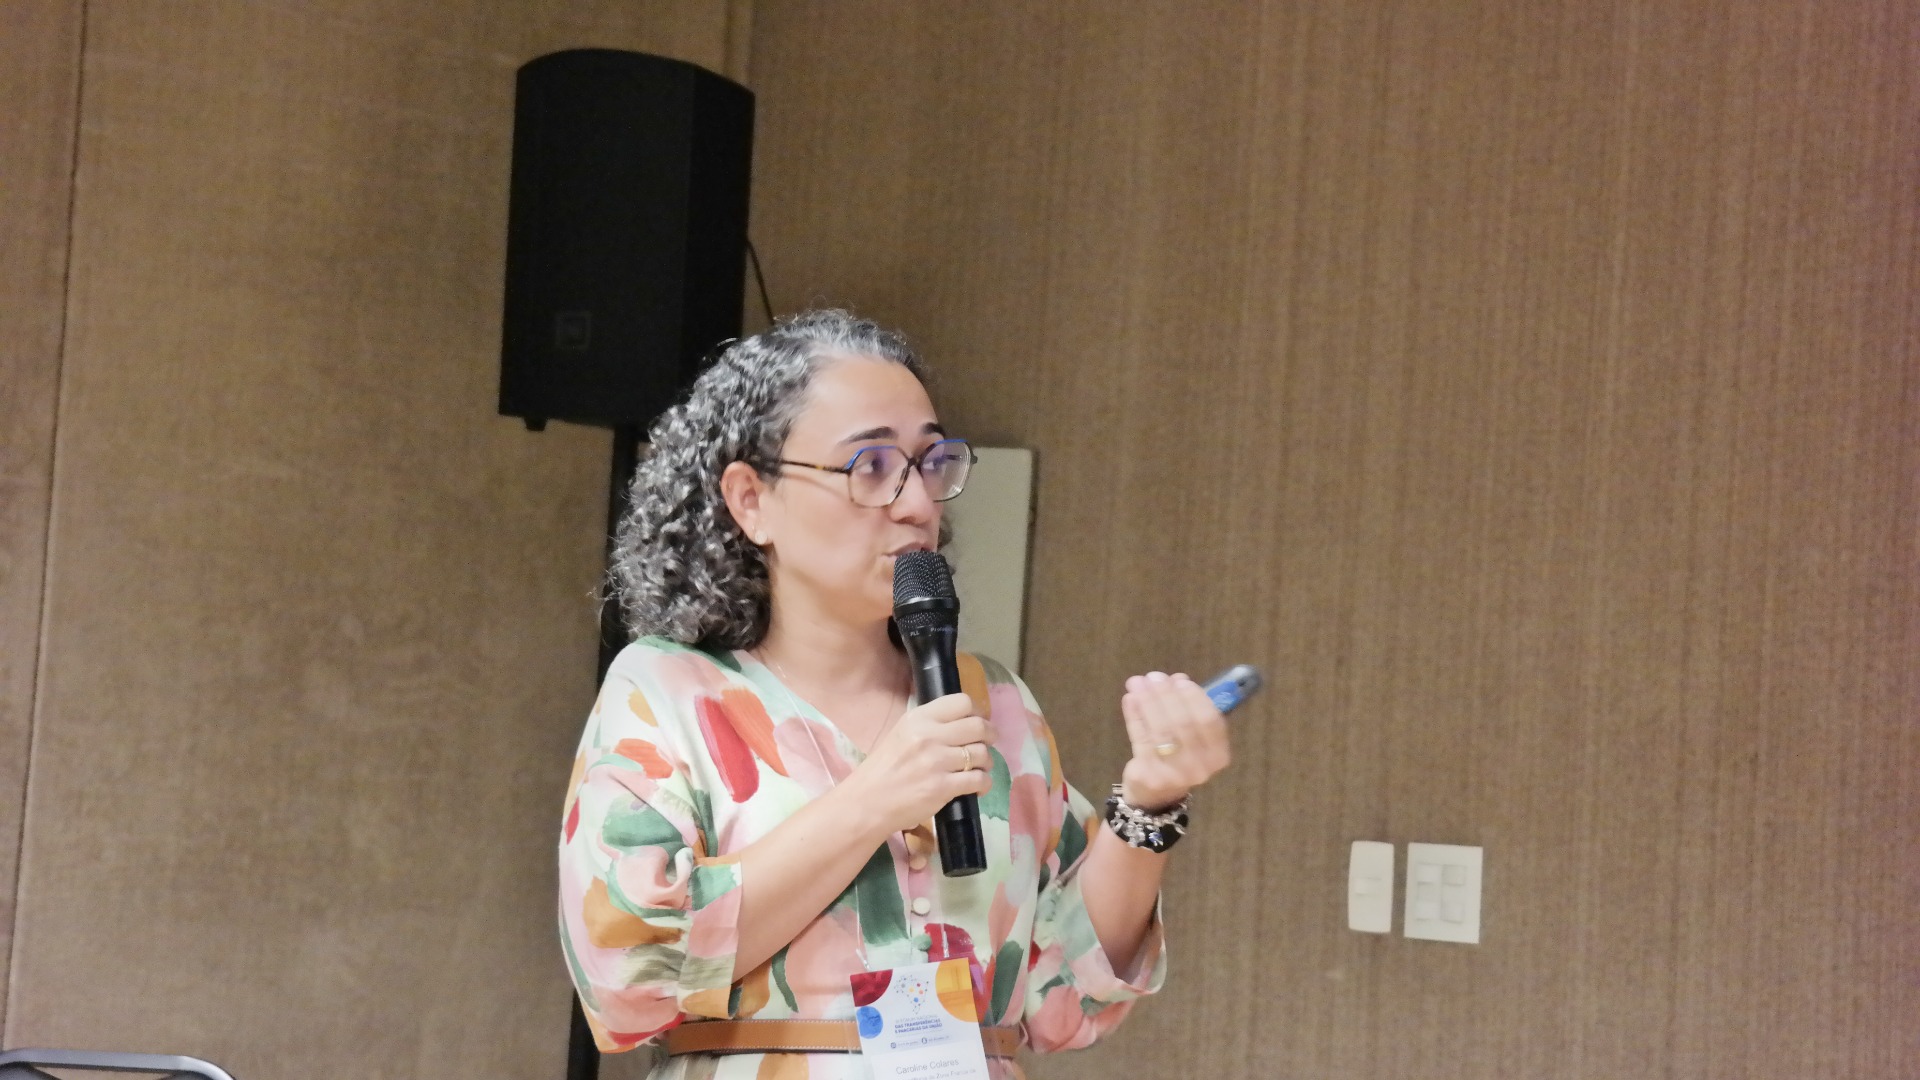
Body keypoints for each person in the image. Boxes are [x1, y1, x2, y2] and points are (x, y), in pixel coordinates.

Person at [557, 310, 1231, 1079]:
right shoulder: (668, 693)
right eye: (871, 466)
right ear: (751, 499)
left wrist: (1148, 803)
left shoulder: (995, 703)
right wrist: (874, 799)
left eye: (931, 462)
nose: (918, 504)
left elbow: (1064, 995)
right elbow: (626, 981)